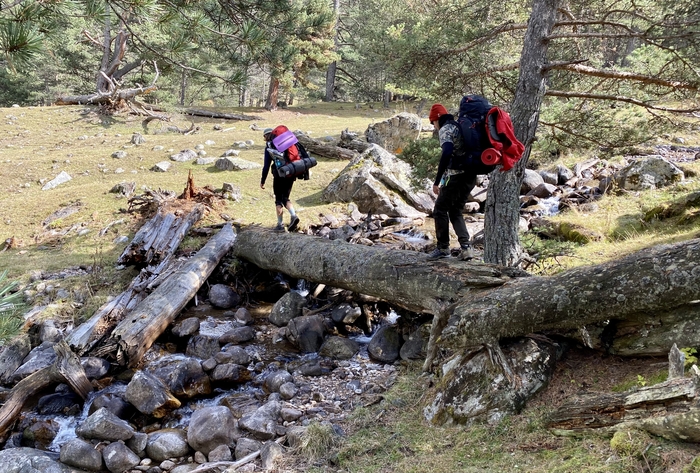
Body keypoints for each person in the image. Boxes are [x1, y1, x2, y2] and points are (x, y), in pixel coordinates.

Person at [427, 104, 475, 260]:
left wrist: (437, 181)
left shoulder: (446, 129)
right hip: (471, 176)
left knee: (439, 209)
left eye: (433, 122)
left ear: (437, 119)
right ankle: (467, 248)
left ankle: (442, 248)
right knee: (455, 211)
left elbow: (447, 151)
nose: (433, 126)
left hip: (456, 177)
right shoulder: (459, 126)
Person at [260, 127, 300, 232]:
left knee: (278, 200)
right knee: (286, 198)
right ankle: (293, 215)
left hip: (279, 175)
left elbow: (266, 166)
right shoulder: (285, 143)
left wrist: (262, 180)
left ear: (266, 136)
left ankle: (280, 224)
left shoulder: (269, 147)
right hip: (290, 172)